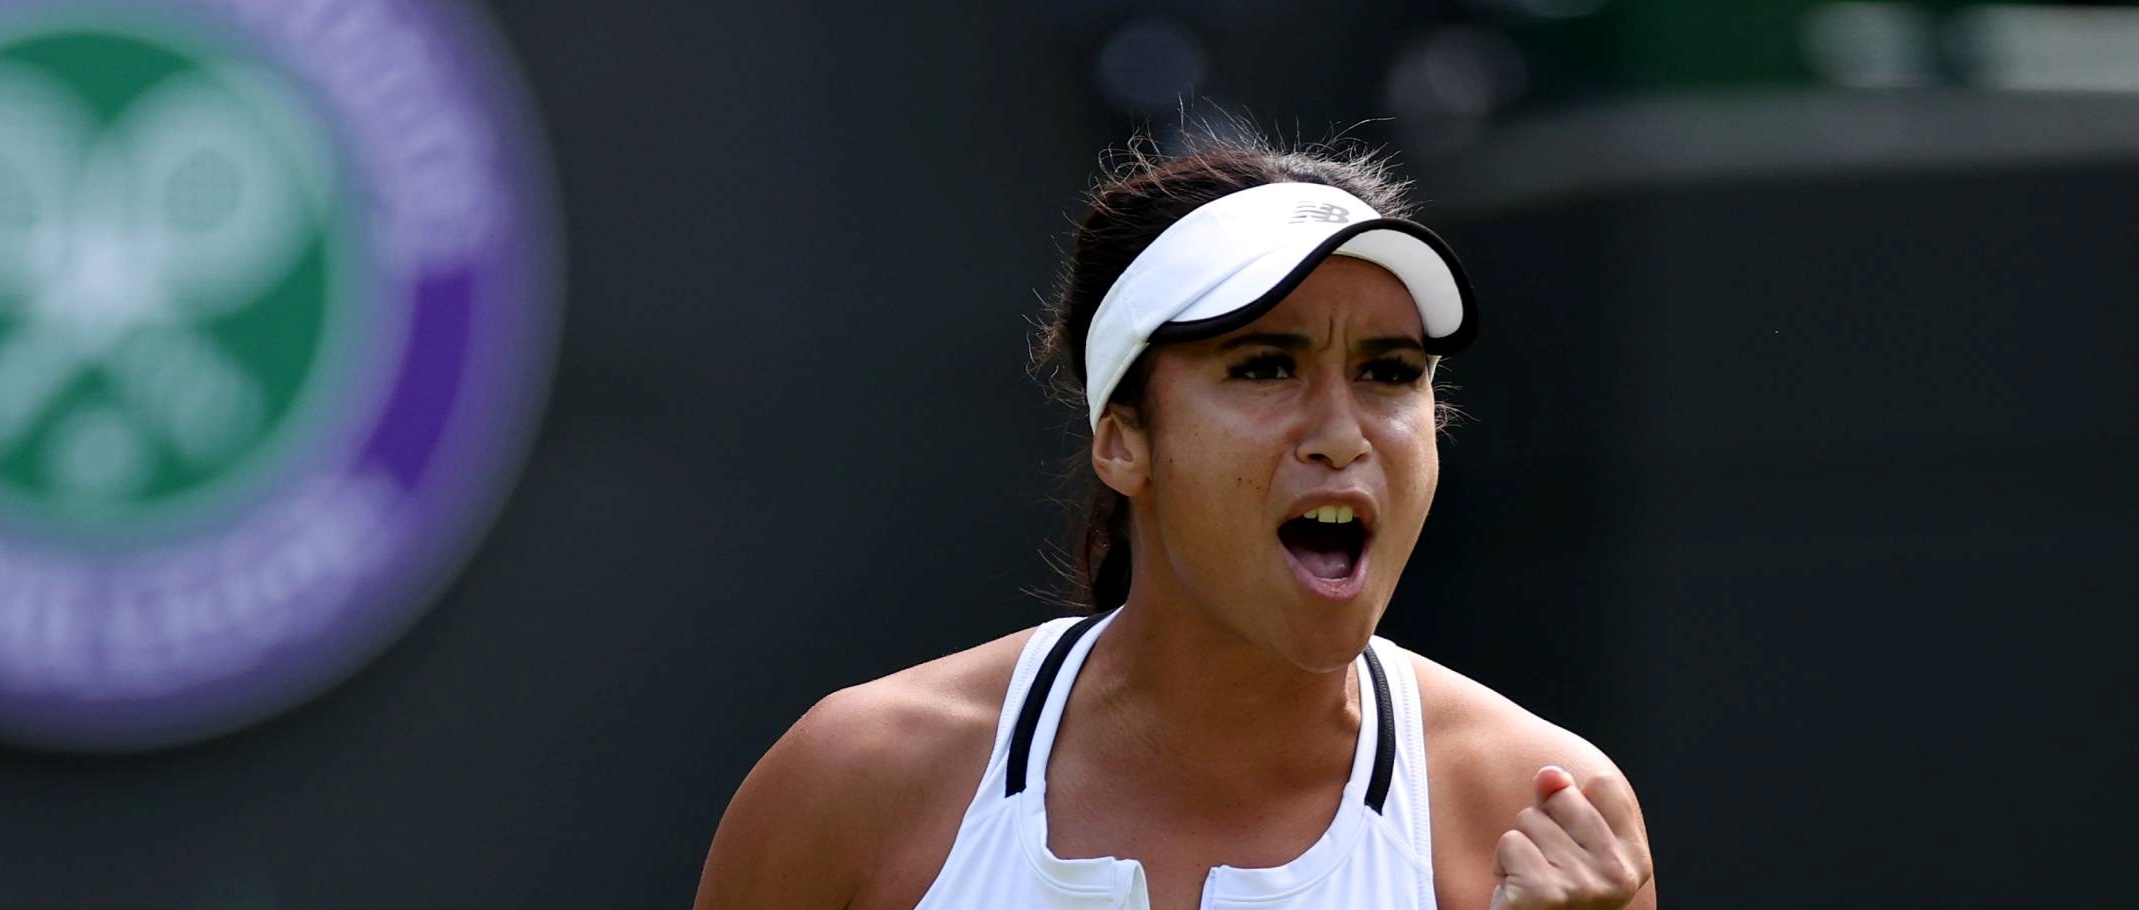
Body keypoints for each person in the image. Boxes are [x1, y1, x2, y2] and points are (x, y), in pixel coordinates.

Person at [693, 135, 1656, 910]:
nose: (1340, 433)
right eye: (1265, 366)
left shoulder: (1536, 812)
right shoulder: (855, 781)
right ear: (1123, 442)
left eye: (1389, 372)